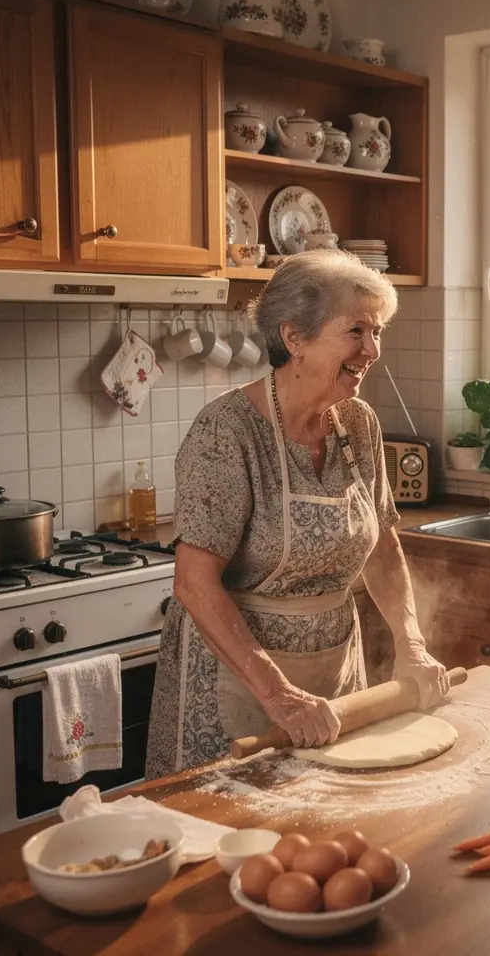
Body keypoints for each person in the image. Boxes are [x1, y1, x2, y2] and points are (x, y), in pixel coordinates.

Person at [146, 252, 448, 779]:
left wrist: (412, 646)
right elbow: (194, 584)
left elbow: (381, 547)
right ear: (294, 338)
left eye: (377, 332)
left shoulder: (358, 423)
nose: (372, 350)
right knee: (230, 837)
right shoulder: (227, 433)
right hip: (238, 686)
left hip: (334, 674)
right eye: (356, 331)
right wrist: (280, 696)